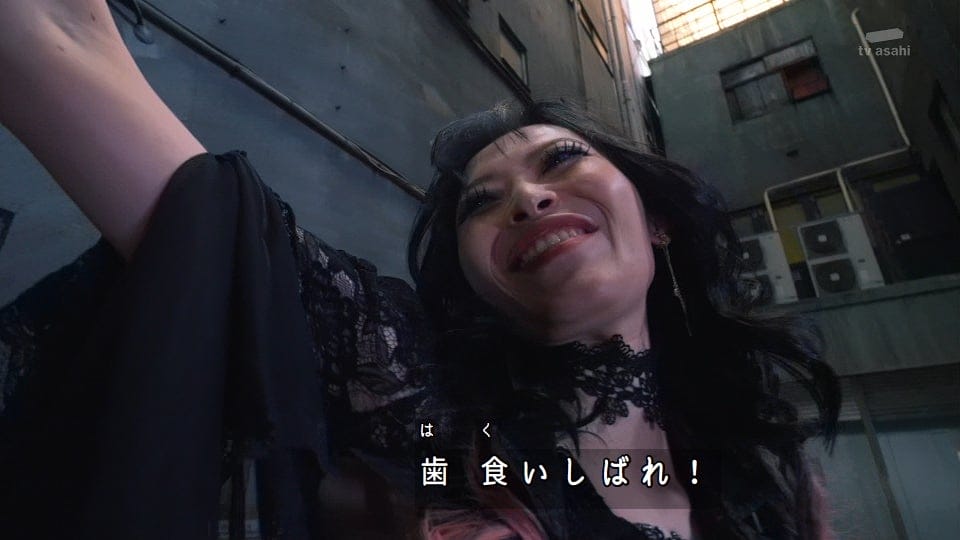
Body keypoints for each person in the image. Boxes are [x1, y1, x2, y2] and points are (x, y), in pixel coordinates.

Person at [0, 1, 840, 539]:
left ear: (657, 219)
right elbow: (230, 238)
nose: (527, 199)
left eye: (560, 161)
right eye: (483, 203)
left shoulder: (752, 470)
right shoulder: (434, 419)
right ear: (475, 282)